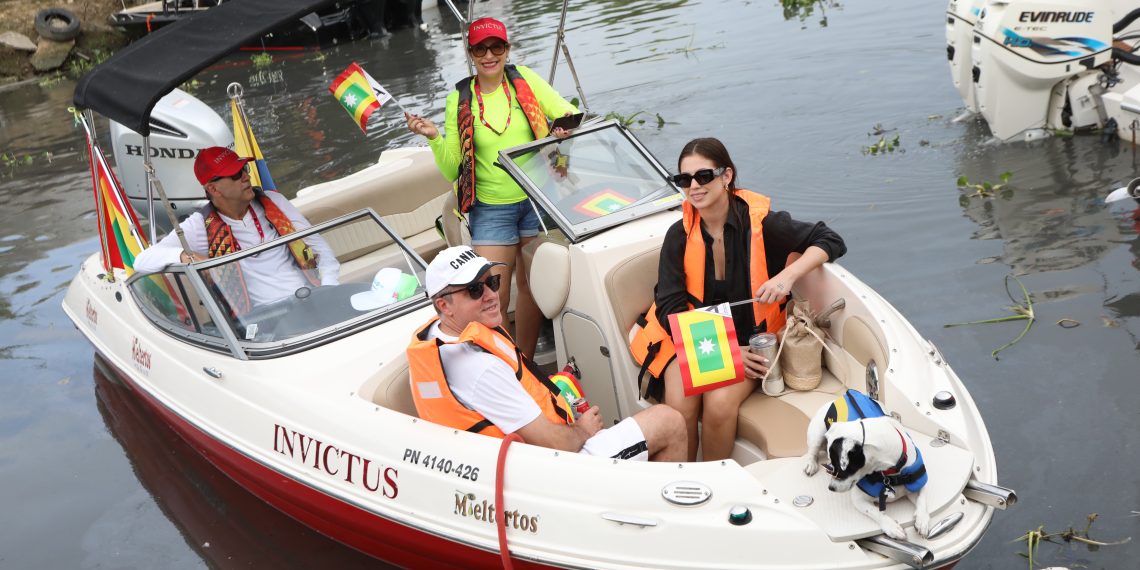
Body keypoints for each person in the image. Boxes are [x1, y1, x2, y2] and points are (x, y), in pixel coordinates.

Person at [630, 138, 846, 462]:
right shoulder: (678, 235)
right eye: (684, 179)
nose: (694, 186)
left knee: (718, 403)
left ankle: (715, 480)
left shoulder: (763, 224)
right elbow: (671, 307)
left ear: (726, 176)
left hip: (751, 342)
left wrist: (786, 276)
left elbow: (829, 239)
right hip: (695, 337)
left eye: (703, 176)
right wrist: (724, 353)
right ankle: (685, 480)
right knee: (680, 401)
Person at [407, 246, 686, 462]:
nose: (491, 295)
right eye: (475, 290)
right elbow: (555, 444)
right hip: (553, 470)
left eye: (492, 282)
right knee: (669, 422)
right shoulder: (480, 369)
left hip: (525, 458)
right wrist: (584, 429)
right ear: (444, 305)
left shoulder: (438, 336)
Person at [405, 16, 577, 359]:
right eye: (480, 48)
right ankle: (506, 361)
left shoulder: (525, 80)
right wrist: (434, 137)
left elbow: (567, 113)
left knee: (533, 288)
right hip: (490, 208)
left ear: (507, 49)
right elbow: (454, 165)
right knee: (491, 295)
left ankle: (525, 361)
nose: (489, 55)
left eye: (496, 46)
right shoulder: (459, 98)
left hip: (537, 199)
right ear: (470, 53)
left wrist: (559, 133)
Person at [133, 146, 339, 313]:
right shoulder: (198, 226)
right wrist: (186, 256)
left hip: (314, 299)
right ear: (213, 189)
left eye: (244, 170)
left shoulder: (274, 201)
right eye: (235, 174)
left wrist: (329, 290)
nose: (245, 177)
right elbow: (142, 260)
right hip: (266, 321)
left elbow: (321, 250)